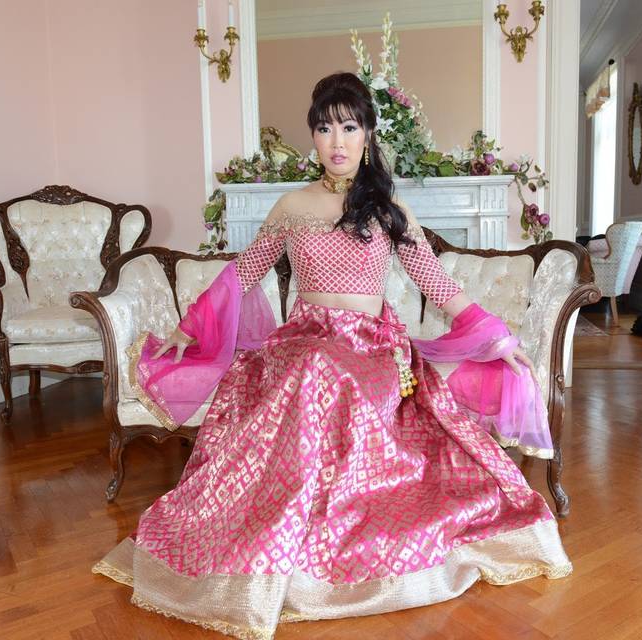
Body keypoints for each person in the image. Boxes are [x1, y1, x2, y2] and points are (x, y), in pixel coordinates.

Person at [92, 72, 571, 640]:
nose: (337, 140)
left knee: (326, 370)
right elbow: (244, 273)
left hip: (371, 345)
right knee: (310, 367)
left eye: (348, 126)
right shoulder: (292, 206)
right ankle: (283, 533)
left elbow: (440, 286)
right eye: (324, 128)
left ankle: (333, 528)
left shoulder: (387, 209)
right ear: (312, 138)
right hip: (305, 338)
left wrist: (500, 339)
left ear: (367, 133)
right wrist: (189, 326)